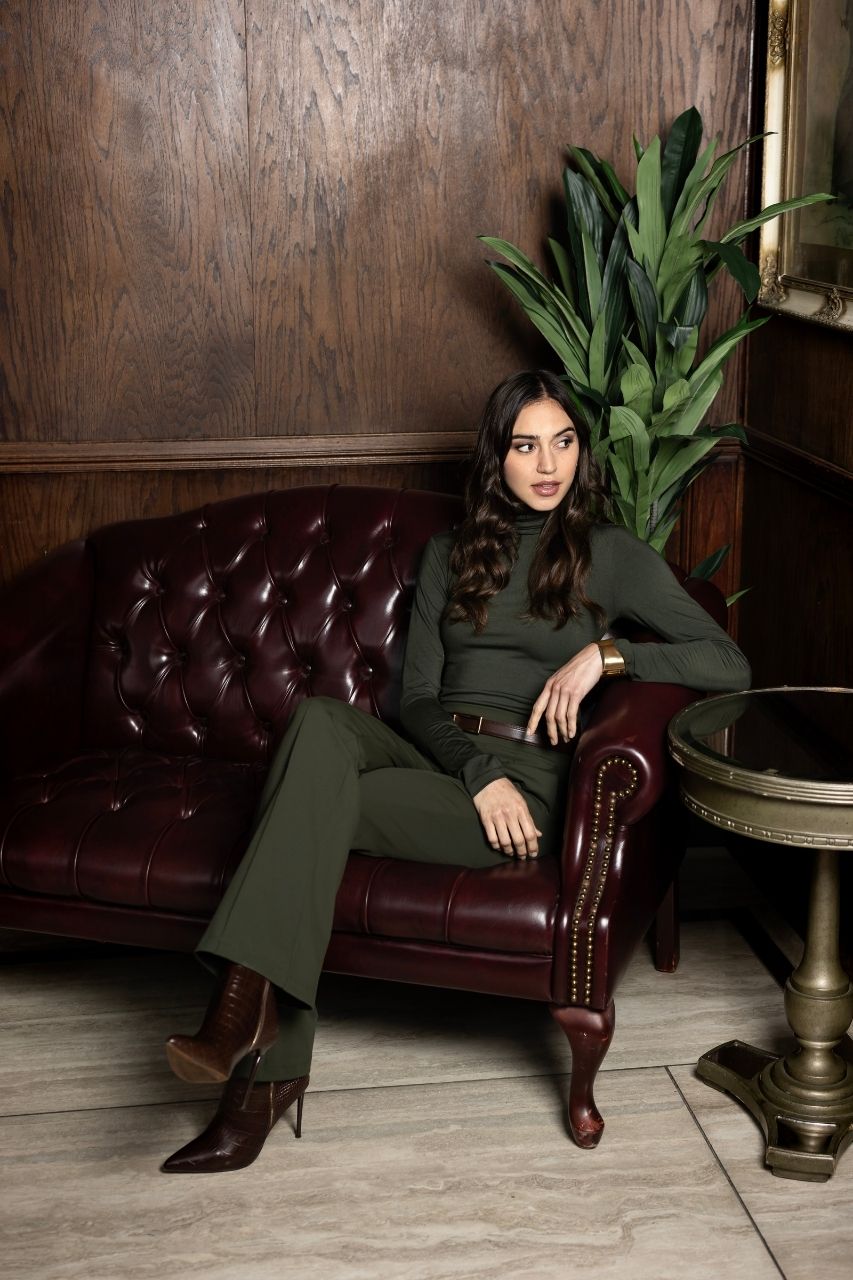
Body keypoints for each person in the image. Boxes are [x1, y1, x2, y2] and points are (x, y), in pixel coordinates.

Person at [160, 369, 751, 1174]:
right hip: (454, 760)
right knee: (316, 725)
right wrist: (475, 771)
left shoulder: (607, 556)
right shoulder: (449, 554)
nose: (548, 464)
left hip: (530, 783)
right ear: (495, 459)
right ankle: (253, 1033)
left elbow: (727, 660)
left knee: (307, 808)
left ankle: (255, 1052)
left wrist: (608, 653)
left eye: (564, 442)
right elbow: (419, 702)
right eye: (525, 445)